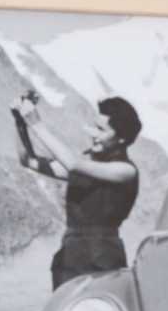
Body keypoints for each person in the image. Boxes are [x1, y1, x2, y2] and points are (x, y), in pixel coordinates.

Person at [15, 92, 141, 290]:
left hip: (102, 261)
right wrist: (20, 122)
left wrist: (36, 123)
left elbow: (73, 164)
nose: (93, 134)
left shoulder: (125, 171)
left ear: (122, 138)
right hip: (70, 259)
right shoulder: (88, 168)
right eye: (95, 127)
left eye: (101, 130)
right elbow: (27, 161)